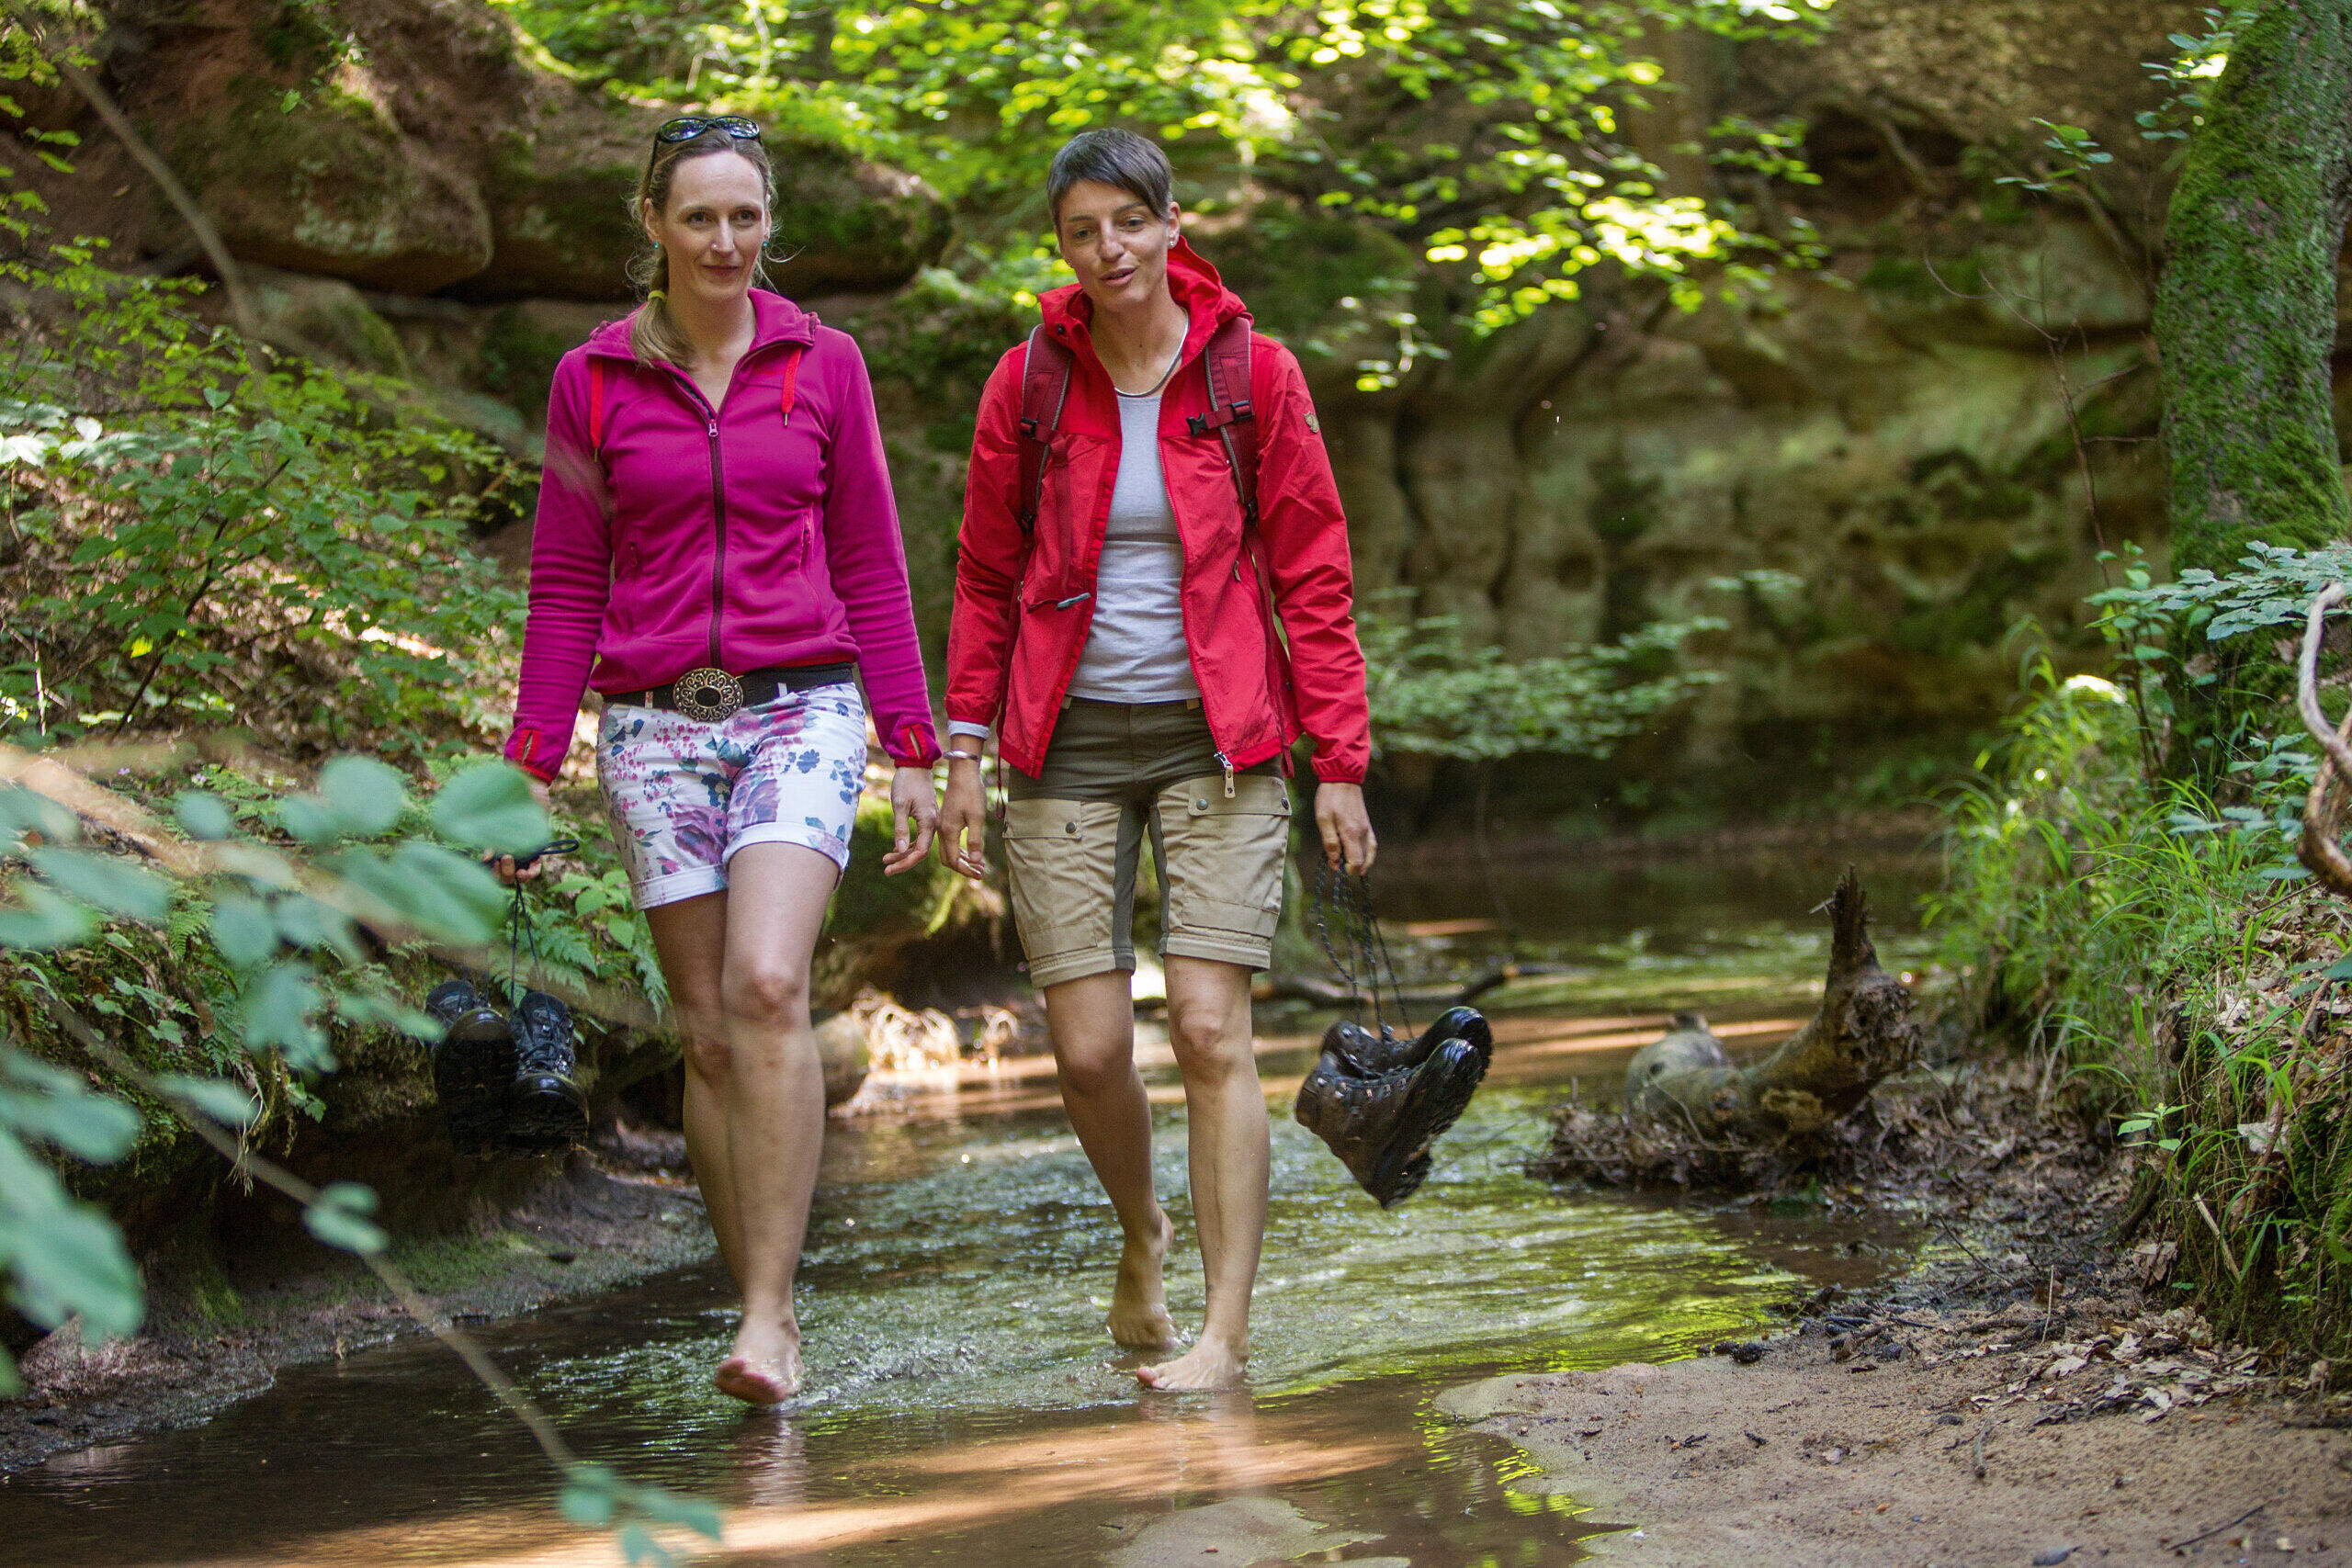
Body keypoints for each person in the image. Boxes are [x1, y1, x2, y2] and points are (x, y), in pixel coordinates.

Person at [498, 115, 941, 1406]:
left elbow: (871, 559)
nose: (725, 240)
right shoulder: (591, 380)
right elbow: (566, 582)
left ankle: (769, 1313)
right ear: (654, 224)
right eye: (699, 216)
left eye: (746, 216)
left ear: (769, 224)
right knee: (704, 1037)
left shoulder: (824, 363)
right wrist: (527, 766)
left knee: (765, 985)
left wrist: (912, 742)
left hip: (803, 710)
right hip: (652, 726)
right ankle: (756, 1307)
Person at [938, 128, 1375, 1391]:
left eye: (1130, 221)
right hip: (1062, 734)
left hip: (1220, 735)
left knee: (1206, 1026)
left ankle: (1222, 1337)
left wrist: (1339, 760)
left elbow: (1314, 571)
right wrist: (964, 746)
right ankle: (1144, 1232)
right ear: (1062, 247)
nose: (1109, 248)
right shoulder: (1029, 383)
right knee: (1085, 1049)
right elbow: (984, 576)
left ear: (1173, 225)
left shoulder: (1252, 375)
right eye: (1083, 230)